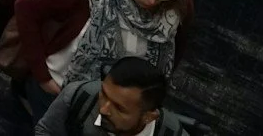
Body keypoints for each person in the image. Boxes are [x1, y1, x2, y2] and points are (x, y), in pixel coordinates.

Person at [12, 0, 191, 104]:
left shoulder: (179, 3)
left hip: (122, 104)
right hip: (60, 91)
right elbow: (25, 8)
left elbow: (177, 47)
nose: (152, 0)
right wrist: (43, 77)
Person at [35, 57, 191, 136]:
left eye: (119, 108)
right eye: (103, 94)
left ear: (149, 117)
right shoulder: (79, 96)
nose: (103, 109)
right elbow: (46, 131)